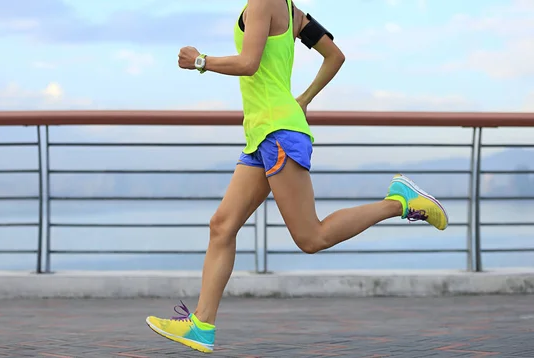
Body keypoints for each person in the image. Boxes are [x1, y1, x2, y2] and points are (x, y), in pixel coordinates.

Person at [146, 0, 448, 353]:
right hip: (263, 135)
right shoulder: (292, 11)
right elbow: (334, 55)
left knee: (311, 237)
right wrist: (302, 99)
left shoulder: (262, 2)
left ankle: (399, 202)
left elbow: (248, 63)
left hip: (277, 134)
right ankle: (201, 325)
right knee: (222, 226)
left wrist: (200, 61)